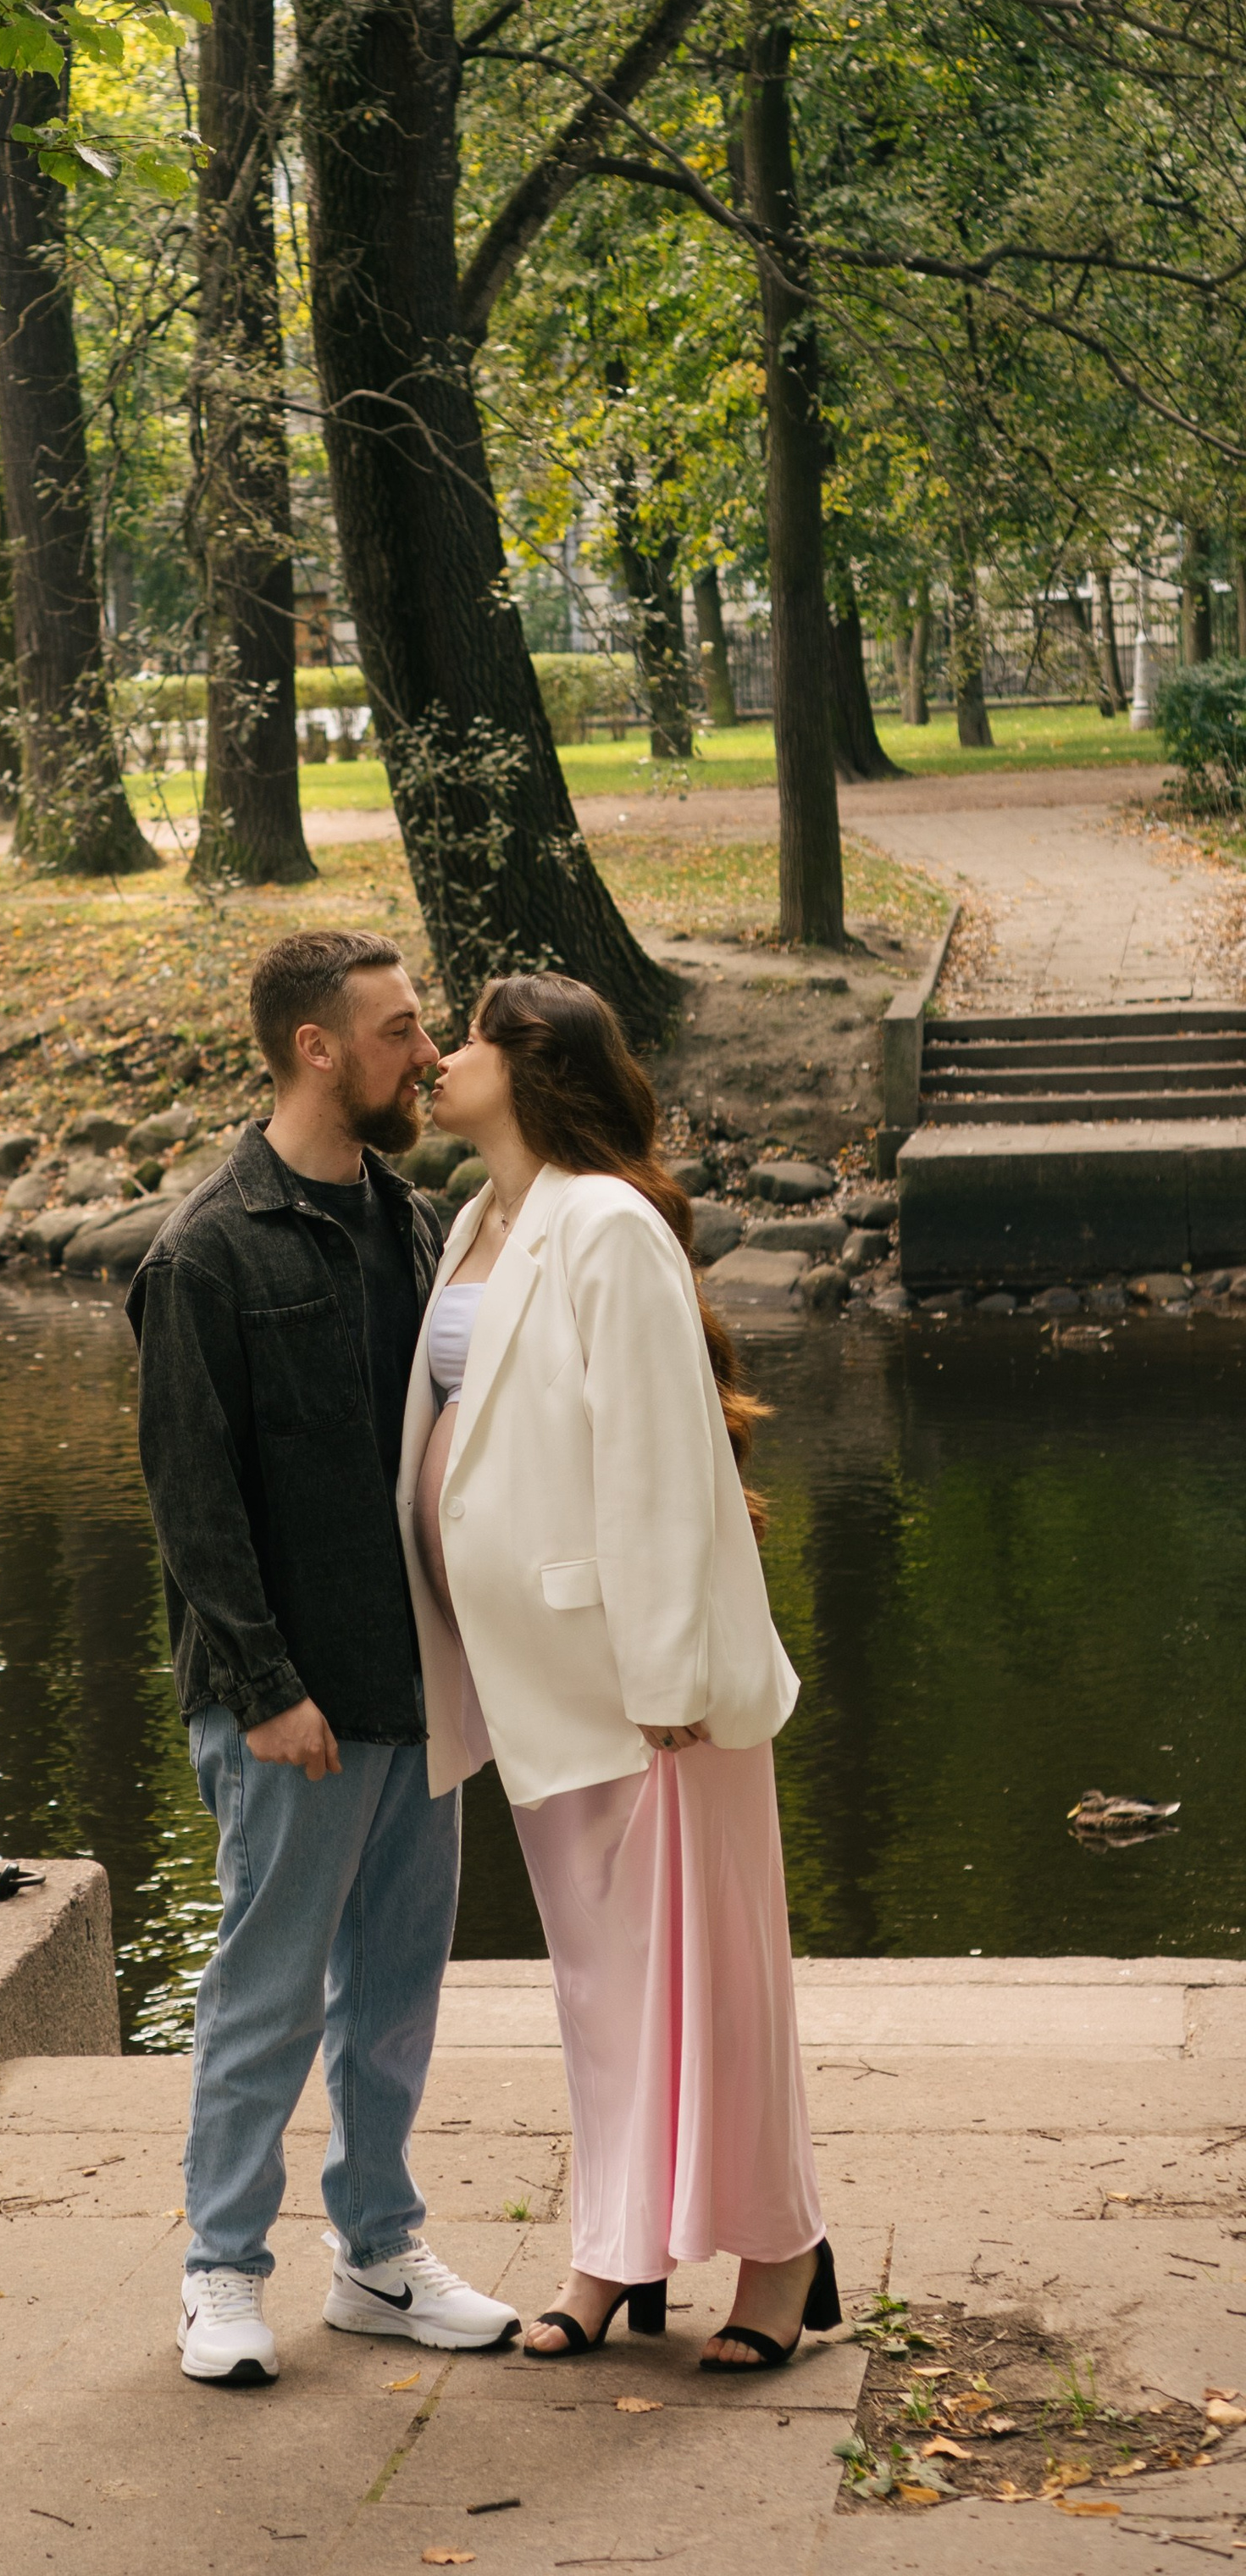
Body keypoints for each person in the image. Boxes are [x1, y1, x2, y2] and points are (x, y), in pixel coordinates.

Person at [396, 971, 836, 2374]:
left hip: (646, 1689)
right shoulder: (482, 1218)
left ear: (531, 1068)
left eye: (464, 1037)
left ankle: (781, 2258)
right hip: (531, 1676)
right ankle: (614, 2250)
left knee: (712, 1978)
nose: (440, 1060)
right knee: (598, 1987)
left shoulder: (607, 1224)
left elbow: (659, 1457)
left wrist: (665, 1671)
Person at [127, 930, 522, 2390]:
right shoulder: (207, 1251)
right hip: (290, 1703)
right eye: (401, 1031)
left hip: (422, 1683)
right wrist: (266, 1688)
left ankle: (377, 2255)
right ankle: (222, 2272)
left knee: (399, 1988)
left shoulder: (414, 1224)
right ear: (316, 1048)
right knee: (269, 1990)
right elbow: (193, 1502)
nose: (426, 1055)